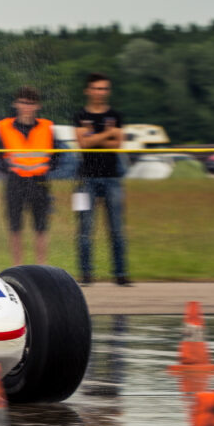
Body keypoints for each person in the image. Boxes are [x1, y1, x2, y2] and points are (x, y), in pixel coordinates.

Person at [74, 73, 129, 286]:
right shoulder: (80, 115)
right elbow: (84, 144)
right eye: (97, 88)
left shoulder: (116, 115)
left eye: (104, 88)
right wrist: (107, 134)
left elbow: (117, 144)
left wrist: (93, 136)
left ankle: (121, 274)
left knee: (116, 229)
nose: (100, 92)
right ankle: (86, 274)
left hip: (112, 178)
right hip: (85, 180)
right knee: (84, 229)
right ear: (88, 90)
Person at [0, 86, 58, 266]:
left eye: (30, 103)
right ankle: (18, 267)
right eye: (22, 102)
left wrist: (47, 167)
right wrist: (9, 169)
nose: (26, 107)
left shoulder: (47, 127)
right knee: (15, 228)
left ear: (37, 106)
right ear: (16, 104)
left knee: (41, 228)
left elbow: (57, 156)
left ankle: (41, 267)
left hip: (40, 182)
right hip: (16, 182)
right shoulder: (3, 127)